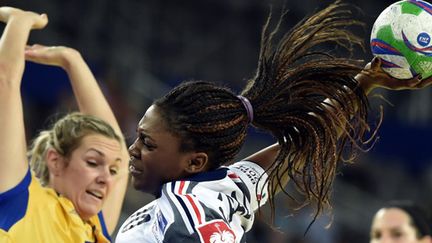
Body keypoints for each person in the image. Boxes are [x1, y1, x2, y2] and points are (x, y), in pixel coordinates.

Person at [115, 1, 432, 243]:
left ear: (195, 161)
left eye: (148, 142)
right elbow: (301, 147)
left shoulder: (187, 219)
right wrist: (364, 80)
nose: (133, 149)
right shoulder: (218, 192)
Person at [0, 7, 129, 243]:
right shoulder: (21, 201)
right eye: (93, 162)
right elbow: (5, 82)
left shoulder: (94, 229)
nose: (106, 178)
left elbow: (119, 154)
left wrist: (72, 60)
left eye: (111, 170)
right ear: (55, 161)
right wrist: (19, 22)